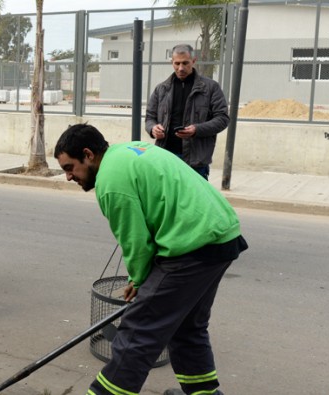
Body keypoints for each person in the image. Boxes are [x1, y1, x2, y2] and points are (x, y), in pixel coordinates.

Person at [53, 124, 247, 395]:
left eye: (69, 167)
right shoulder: (128, 150)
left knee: (137, 333)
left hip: (191, 247)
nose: (68, 177)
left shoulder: (110, 182)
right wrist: (141, 280)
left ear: (88, 154)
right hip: (222, 237)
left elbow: (135, 242)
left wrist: (139, 280)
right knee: (187, 326)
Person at [144, 43, 229, 180]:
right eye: (177, 63)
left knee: (196, 200)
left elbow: (223, 119)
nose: (181, 68)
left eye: (185, 63)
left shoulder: (211, 87)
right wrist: (153, 129)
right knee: (167, 200)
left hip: (196, 161)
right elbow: (150, 117)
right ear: (172, 62)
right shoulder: (161, 89)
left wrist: (197, 129)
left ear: (193, 61)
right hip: (166, 158)